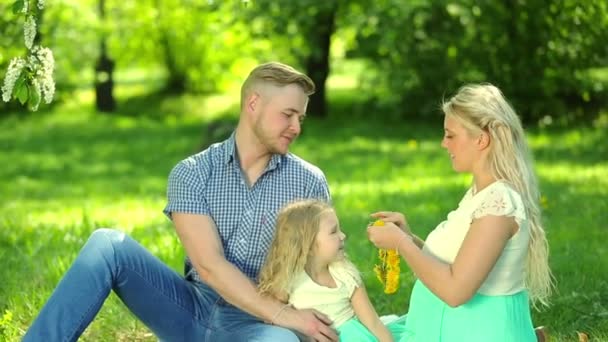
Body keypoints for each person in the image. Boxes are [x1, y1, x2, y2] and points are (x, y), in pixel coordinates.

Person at [24, 62, 339, 342]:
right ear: (253, 103)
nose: (296, 127)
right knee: (107, 244)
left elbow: (324, 273)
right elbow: (209, 265)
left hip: (258, 327)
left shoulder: (309, 183)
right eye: (288, 115)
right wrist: (284, 315)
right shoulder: (192, 173)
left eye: (301, 118)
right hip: (187, 310)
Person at [367, 84, 554, 341]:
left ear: (481, 139)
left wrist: (400, 244)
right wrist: (409, 239)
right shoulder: (482, 194)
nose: (444, 144)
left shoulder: (499, 205)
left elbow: (456, 290)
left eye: (450, 135)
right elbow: (457, 262)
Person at [258, 199, 407, 342]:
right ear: (308, 244)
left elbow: (372, 322)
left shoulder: (345, 274)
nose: (343, 236)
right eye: (333, 231)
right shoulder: (288, 279)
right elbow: (275, 317)